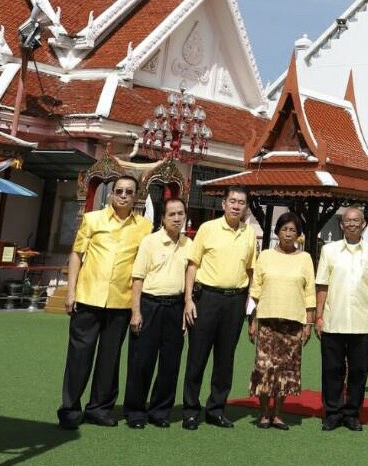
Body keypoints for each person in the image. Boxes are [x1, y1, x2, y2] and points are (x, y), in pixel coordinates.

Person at [57, 173, 152, 429]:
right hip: (88, 298)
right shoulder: (92, 219)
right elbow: (77, 255)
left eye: (128, 192)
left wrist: (136, 308)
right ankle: (70, 409)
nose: (123, 196)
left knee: (109, 360)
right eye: (119, 191)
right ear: (110, 194)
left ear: (137, 197)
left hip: (120, 302)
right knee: (79, 357)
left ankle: (99, 408)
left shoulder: (144, 227)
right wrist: (70, 291)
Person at [182, 185, 256, 430]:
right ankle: (191, 410)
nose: (236, 206)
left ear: (246, 207)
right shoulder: (207, 229)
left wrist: (249, 302)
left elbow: (250, 270)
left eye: (241, 202)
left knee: (225, 359)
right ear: (223, 204)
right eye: (232, 201)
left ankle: (216, 408)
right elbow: (193, 265)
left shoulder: (249, 234)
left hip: (235, 301)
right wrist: (188, 299)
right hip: (207, 298)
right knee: (197, 356)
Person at [315, 205, 368, 432]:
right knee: (331, 370)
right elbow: (322, 284)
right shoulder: (329, 250)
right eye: (348, 220)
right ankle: (333, 412)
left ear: (364, 224)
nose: (352, 224)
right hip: (333, 320)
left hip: (362, 322)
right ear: (341, 224)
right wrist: (318, 315)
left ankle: (352, 413)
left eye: (357, 220)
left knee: (358, 371)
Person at [124, 195, 191, 428]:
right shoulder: (150, 242)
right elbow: (138, 278)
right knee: (141, 360)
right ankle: (135, 411)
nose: (176, 218)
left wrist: (186, 305)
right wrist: (135, 311)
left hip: (174, 308)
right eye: (171, 214)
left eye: (180, 214)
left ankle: (160, 411)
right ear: (162, 218)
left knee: (170, 362)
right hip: (149, 305)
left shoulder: (188, 245)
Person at [247, 211, 316, 429]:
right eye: (284, 229)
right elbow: (255, 288)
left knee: (287, 369)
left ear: (298, 235)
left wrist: (309, 323)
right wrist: (252, 319)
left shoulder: (305, 259)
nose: (288, 234)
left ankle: (278, 413)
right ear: (277, 231)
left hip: (293, 322)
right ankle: (264, 413)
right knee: (265, 367)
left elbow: (310, 292)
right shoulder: (265, 255)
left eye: (293, 230)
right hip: (267, 320)